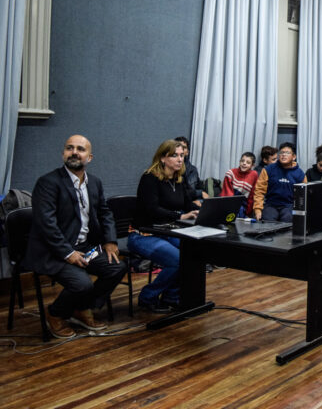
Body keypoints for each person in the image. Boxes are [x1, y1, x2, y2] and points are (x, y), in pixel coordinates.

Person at [26, 135, 127, 338]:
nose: (74, 152)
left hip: (84, 246)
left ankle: (81, 308)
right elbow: (46, 225)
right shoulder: (48, 183)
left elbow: (105, 212)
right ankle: (55, 313)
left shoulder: (94, 183)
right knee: (82, 284)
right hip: (52, 250)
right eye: (69, 148)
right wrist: (67, 252)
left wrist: (109, 241)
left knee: (117, 267)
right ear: (63, 153)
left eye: (80, 149)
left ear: (89, 157)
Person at [128, 139, 199, 313]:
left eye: (182, 155)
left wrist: (206, 212)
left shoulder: (179, 179)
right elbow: (152, 209)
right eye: (174, 155)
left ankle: (171, 296)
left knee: (190, 256)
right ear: (162, 158)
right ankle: (147, 297)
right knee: (177, 260)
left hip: (167, 232)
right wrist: (179, 215)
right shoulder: (149, 178)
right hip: (143, 235)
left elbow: (189, 205)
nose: (180, 159)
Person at [253, 142, 307, 222]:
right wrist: (258, 209)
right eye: (282, 152)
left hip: (289, 206)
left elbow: (303, 196)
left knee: (287, 221)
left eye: (287, 153)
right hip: (271, 204)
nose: (284, 155)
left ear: (294, 156)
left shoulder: (300, 174)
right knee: (268, 222)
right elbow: (259, 191)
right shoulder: (269, 169)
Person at [220, 151, 259, 217]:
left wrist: (248, 212)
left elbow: (252, 194)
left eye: (248, 162)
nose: (244, 163)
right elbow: (227, 193)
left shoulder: (254, 175)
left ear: (252, 165)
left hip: (243, 203)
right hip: (228, 201)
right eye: (242, 161)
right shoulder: (230, 173)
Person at [175, 136, 207, 200]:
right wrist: (199, 193)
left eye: (184, 148)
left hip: (193, 202)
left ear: (187, 152)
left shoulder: (193, 170)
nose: (181, 150)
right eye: (179, 146)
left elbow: (202, 190)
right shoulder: (172, 169)